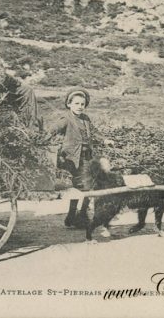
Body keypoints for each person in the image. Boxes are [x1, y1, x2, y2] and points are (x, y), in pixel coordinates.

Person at [47, 87, 113, 227]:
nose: (80, 107)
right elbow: (52, 130)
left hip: (87, 157)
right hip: (72, 159)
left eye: (82, 104)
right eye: (76, 104)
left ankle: (75, 216)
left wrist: (105, 140)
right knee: (84, 187)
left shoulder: (85, 119)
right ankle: (77, 216)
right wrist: (41, 141)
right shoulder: (66, 119)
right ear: (69, 104)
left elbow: (94, 132)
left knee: (86, 187)